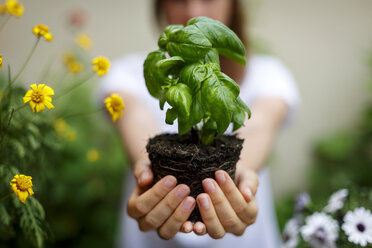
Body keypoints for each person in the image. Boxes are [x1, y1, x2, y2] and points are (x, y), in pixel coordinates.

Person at [99, 0, 300, 247]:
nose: (193, 11)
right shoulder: (129, 72)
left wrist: (241, 172)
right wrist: (146, 166)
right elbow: (133, 116)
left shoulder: (269, 74)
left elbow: (259, 126)